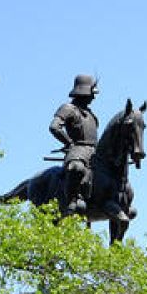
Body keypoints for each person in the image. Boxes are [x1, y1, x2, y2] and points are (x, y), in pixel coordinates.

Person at [49, 74, 100, 215]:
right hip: (78, 149)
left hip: (95, 150)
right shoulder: (68, 108)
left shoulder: (90, 113)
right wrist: (69, 143)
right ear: (84, 92)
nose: (93, 98)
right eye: (92, 94)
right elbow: (54, 127)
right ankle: (71, 201)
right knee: (76, 168)